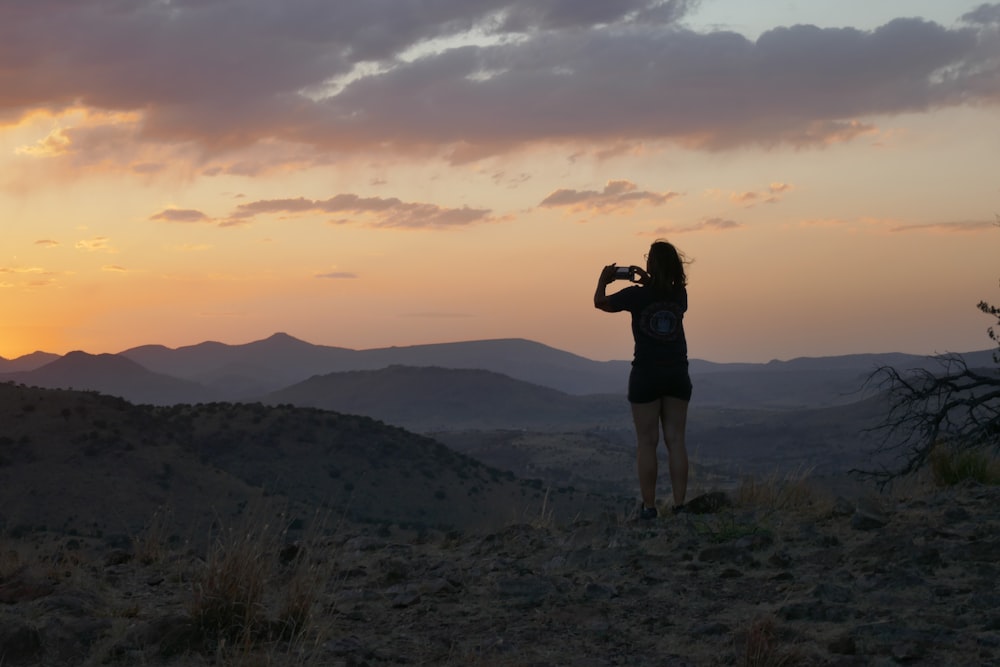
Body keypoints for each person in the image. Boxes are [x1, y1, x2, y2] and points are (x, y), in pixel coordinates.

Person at [594, 240, 692, 519]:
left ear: (650, 264)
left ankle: (649, 509)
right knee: (676, 440)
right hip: (677, 373)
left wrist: (603, 279)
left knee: (647, 443)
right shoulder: (680, 295)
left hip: (646, 374)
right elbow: (663, 292)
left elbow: (600, 303)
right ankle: (680, 506)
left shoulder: (636, 296)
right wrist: (651, 279)